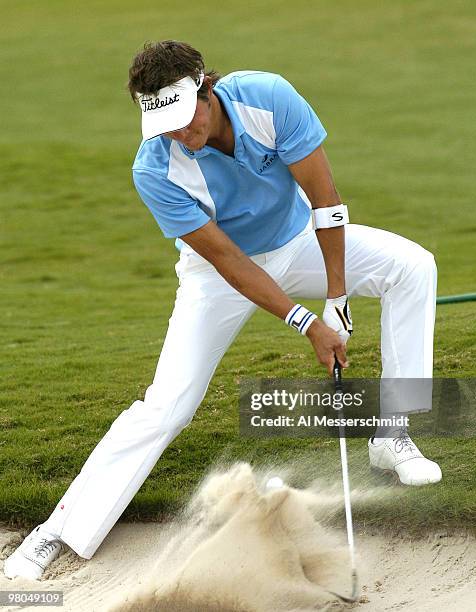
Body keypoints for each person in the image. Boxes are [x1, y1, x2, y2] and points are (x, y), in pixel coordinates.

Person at [4, 40, 442, 580]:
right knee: (167, 406)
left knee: (413, 267)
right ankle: (59, 530)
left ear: (206, 90)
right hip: (217, 278)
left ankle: (392, 433)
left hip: (298, 238)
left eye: (185, 118)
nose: (179, 134)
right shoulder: (155, 171)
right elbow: (230, 262)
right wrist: (307, 323)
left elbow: (327, 202)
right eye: (163, 125)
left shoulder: (268, 98)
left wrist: (336, 299)